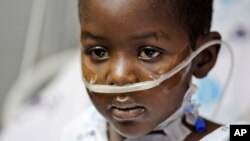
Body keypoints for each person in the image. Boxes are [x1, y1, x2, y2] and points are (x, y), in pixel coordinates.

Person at [61, 0, 230, 140]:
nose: (119, 76)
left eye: (149, 52)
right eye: (99, 52)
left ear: (203, 58)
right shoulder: (78, 133)